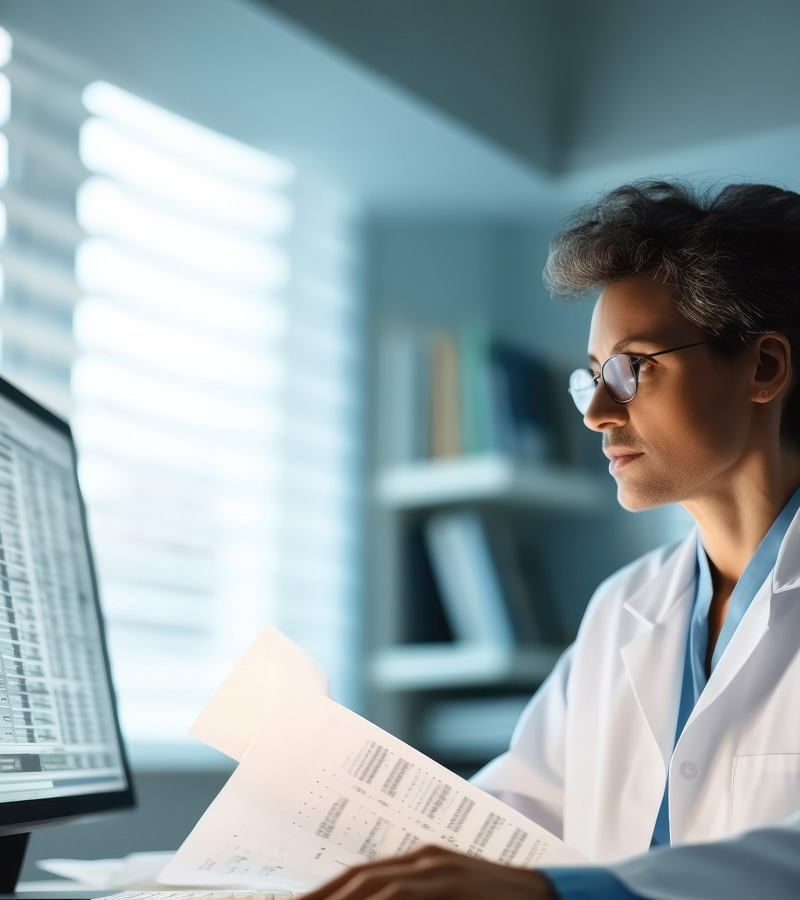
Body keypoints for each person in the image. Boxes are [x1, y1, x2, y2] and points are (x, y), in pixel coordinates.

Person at [303, 180, 800, 900]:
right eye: (593, 377)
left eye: (634, 368)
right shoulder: (625, 606)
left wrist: (559, 894)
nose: (597, 412)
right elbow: (514, 813)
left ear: (764, 368)